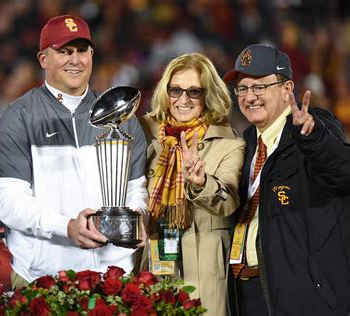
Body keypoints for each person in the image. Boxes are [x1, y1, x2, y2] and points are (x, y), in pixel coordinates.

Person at [0, 15, 148, 288]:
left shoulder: (121, 115)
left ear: (92, 55)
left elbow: (136, 188)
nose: (75, 60)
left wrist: (135, 218)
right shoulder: (18, 117)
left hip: (113, 277)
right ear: (43, 59)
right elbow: (10, 203)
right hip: (43, 278)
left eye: (82, 50)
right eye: (64, 51)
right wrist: (67, 227)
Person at [224, 44, 350, 315]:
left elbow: (343, 173)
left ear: (286, 89)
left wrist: (314, 138)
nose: (250, 97)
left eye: (260, 87)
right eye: (243, 89)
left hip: (302, 297)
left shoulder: (312, 129)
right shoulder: (246, 144)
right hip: (248, 293)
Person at [140, 53, 245, 315]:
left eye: (194, 92)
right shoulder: (145, 138)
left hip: (205, 274)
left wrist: (200, 183)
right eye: (176, 90)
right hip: (155, 267)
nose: (183, 99)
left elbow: (229, 200)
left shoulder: (231, 145)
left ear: (208, 95)